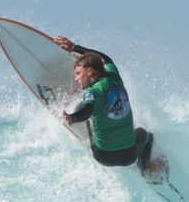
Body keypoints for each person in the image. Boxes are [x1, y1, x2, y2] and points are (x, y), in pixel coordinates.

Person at [53, 35, 157, 173]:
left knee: (88, 112)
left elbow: (87, 110)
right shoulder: (114, 76)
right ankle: (145, 168)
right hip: (129, 156)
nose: (76, 78)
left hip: (103, 155)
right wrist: (74, 47)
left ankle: (85, 138)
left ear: (90, 71)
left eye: (78, 73)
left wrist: (73, 117)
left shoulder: (93, 92)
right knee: (146, 135)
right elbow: (106, 58)